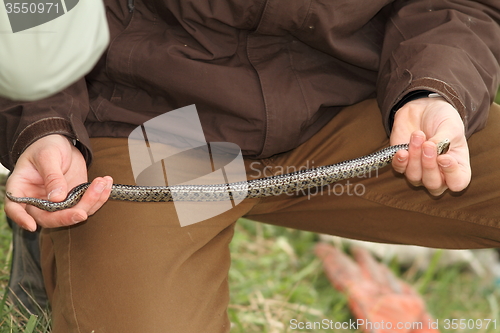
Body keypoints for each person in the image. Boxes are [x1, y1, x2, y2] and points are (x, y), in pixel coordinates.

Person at [1, 0, 499, 332]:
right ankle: (65, 244)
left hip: (353, 104)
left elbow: (457, 3)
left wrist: (433, 89)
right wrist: (46, 122)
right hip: (160, 126)